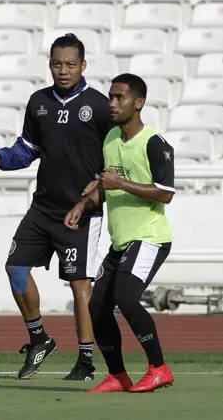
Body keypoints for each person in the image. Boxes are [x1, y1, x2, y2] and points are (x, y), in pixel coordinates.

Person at [0, 33, 113, 381]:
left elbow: (114, 161)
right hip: (43, 208)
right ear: (49, 64)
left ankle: (84, 361)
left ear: (83, 65)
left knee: (80, 285)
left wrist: (95, 191)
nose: (62, 70)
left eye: (70, 64)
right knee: (15, 269)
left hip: (81, 213)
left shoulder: (99, 106)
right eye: (56, 64)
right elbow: (27, 148)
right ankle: (39, 338)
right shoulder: (38, 102)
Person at [64, 73, 175, 393]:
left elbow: (165, 193)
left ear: (138, 103)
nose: (111, 103)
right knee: (96, 307)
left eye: (119, 98)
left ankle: (159, 369)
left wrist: (117, 184)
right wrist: (83, 204)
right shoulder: (111, 137)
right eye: (111, 96)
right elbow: (105, 186)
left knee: (126, 297)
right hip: (122, 241)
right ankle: (117, 375)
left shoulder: (154, 143)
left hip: (150, 236)